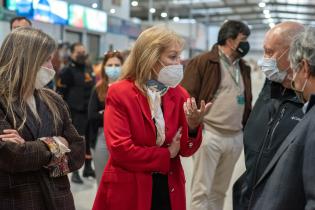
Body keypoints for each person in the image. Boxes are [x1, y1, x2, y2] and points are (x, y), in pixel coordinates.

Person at [92, 26, 210, 210]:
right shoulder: (120, 92)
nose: (179, 63)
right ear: (151, 58)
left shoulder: (179, 94)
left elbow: (186, 150)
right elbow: (120, 149)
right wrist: (166, 154)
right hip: (129, 186)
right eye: (173, 57)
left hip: (168, 185)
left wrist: (193, 127)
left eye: (180, 56)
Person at [0, 27, 85, 209]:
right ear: (27, 59)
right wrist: (58, 144)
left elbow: (78, 151)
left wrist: (31, 148)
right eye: (46, 60)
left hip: (59, 200)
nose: (51, 67)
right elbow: (11, 156)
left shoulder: (53, 99)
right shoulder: (2, 101)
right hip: (17, 201)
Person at [233, 21, 305, 210]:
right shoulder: (272, 83)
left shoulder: (307, 99)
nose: (265, 59)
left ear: (293, 53)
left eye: (270, 51)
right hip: (250, 193)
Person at [181, 20, 252, 210]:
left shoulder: (243, 67)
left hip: (234, 137)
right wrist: (192, 129)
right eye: (243, 39)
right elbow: (186, 97)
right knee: (201, 191)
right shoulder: (204, 62)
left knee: (219, 191)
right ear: (230, 41)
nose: (246, 44)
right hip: (209, 135)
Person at [247, 26, 315, 210]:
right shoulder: (271, 88)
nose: (264, 59)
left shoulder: (309, 111)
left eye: (270, 52)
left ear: (305, 67)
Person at [57, 43, 95, 184]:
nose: (82, 55)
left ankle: (88, 168)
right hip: (75, 112)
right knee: (77, 143)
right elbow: (60, 94)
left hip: (88, 111)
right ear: (72, 54)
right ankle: (75, 173)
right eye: (78, 52)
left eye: (83, 52)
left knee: (89, 141)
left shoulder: (88, 68)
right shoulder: (66, 71)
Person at [87, 50, 124, 185]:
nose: (113, 68)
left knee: (121, 184)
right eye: (110, 65)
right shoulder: (98, 88)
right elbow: (92, 117)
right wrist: (113, 114)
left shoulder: (128, 88)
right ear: (104, 67)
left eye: (117, 65)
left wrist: (105, 113)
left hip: (124, 139)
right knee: (103, 183)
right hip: (101, 138)